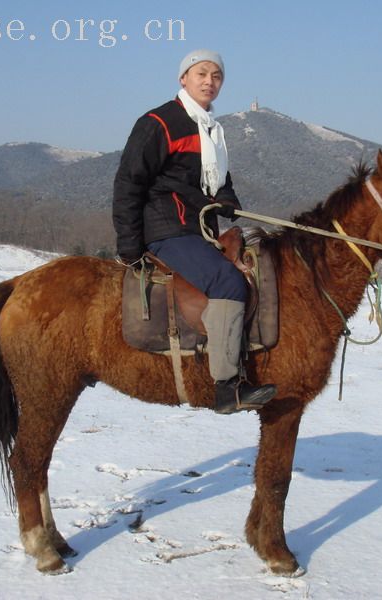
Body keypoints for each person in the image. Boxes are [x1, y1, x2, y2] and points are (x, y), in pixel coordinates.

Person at [112, 49, 276, 414]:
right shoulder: (159, 122)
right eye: (201, 73)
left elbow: (219, 180)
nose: (209, 81)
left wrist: (227, 200)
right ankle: (226, 388)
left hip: (198, 229)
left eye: (217, 76)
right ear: (183, 78)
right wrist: (129, 244)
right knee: (228, 283)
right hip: (167, 229)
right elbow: (128, 182)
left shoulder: (211, 130)